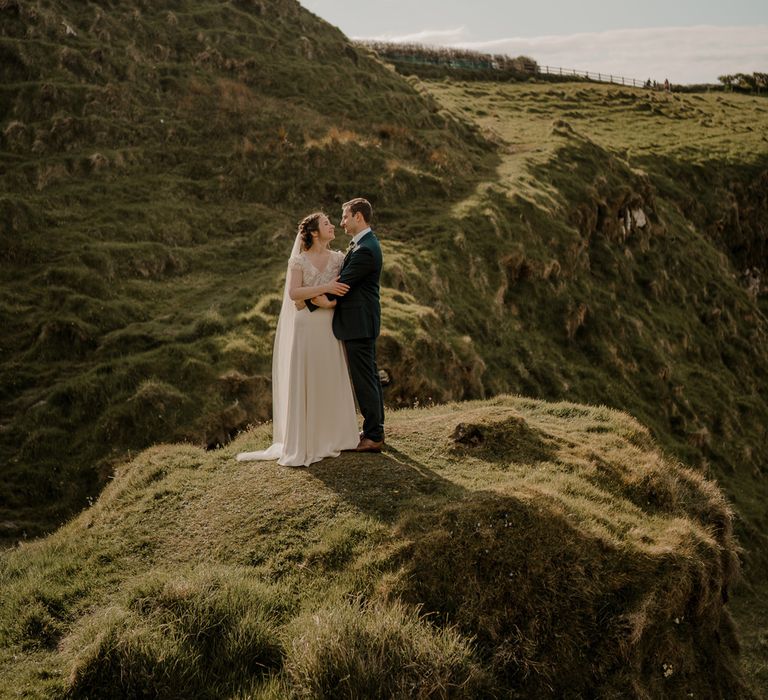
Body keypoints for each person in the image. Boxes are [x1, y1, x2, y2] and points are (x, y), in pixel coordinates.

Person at [236, 212, 360, 466]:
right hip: (306, 327)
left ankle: (335, 435)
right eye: (326, 223)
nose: (332, 225)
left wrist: (323, 301)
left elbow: (342, 291)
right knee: (309, 376)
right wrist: (324, 288)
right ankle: (308, 440)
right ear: (314, 232)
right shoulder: (299, 261)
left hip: (328, 325)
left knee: (329, 375)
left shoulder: (338, 259)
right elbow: (294, 293)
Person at [307, 198, 385, 452]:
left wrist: (313, 302)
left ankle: (374, 435)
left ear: (358, 217)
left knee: (364, 379)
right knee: (368, 377)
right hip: (359, 321)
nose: (341, 223)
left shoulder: (365, 249)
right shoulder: (362, 244)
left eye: (345, 217)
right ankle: (375, 429)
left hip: (358, 323)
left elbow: (343, 284)